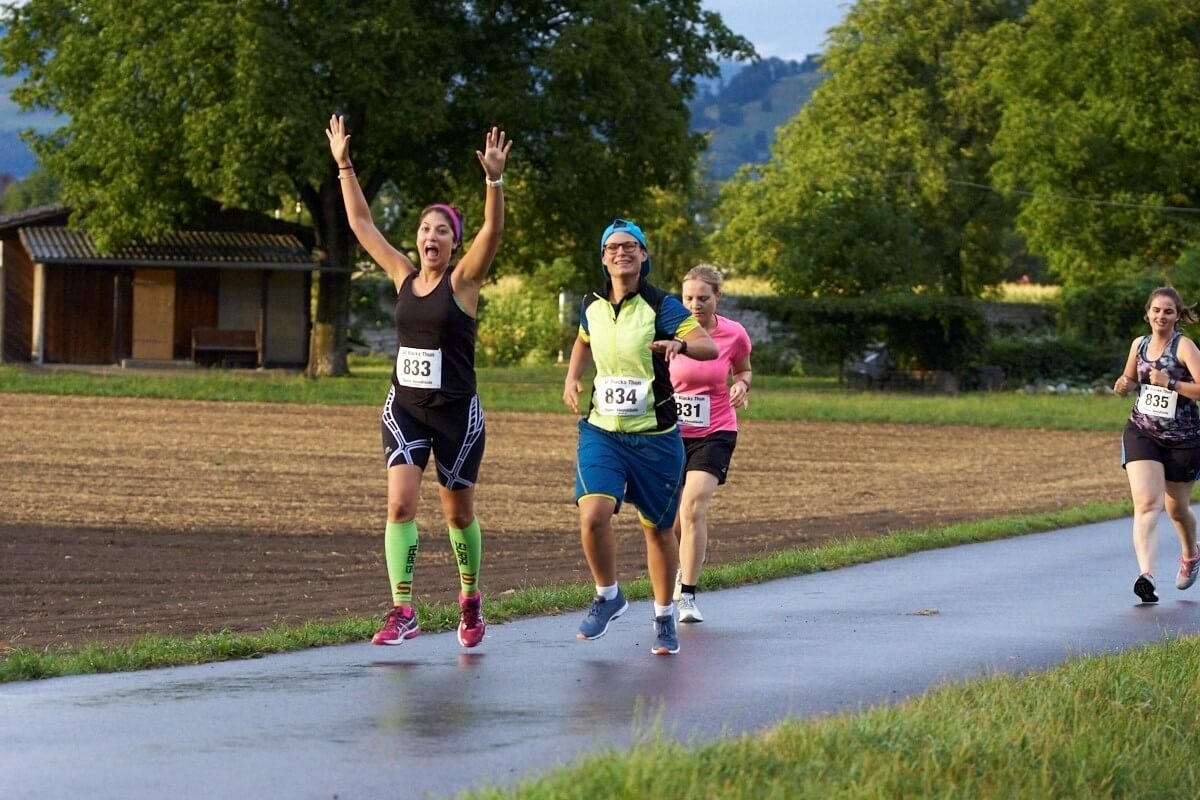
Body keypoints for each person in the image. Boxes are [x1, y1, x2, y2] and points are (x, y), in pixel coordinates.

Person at [326, 114, 513, 647]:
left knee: (457, 513)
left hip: (456, 414)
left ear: (454, 244)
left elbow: (493, 231)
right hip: (406, 408)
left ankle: (471, 599)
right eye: (425, 229)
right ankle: (403, 608)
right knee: (400, 505)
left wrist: (494, 182)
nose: (432, 237)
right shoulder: (403, 275)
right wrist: (344, 164)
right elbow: (362, 224)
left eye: (442, 231)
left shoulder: (464, 282)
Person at [562, 218, 718, 656]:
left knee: (658, 531)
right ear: (603, 257)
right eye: (612, 247)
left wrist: (680, 346)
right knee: (592, 514)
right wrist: (573, 377)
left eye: (631, 246)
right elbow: (583, 339)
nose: (621, 252)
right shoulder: (591, 304)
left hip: (655, 437)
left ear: (644, 255)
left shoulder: (662, 306)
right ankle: (608, 594)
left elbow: (708, 346)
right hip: (603, 432)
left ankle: (664, 615)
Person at [668, 265, 753, 623]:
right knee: (672, 522)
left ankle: (687, 596)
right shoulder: (669, 329)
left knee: (693, 508)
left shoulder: (734, 334)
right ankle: (683, 565)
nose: (694, 305)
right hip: (670, 433)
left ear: (718, 297)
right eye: (688, 298)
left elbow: (744, 369)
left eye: (703, 298)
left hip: (715, 431)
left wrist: (742, 385)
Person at [1113, 285, 1200, 603]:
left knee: (1176, 509)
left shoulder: (1184, 347)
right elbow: (1131, 379)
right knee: (1148, 503)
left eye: (1168, 311)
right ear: (1147, 313)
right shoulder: (1140, 344)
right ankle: (1146, 575)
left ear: (1177, 317)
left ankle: (1191, 554)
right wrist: (1124, 385)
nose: (1161, 316)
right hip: (1143, 432)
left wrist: (1172, 383)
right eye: (1156, 310)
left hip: (1182, 439)